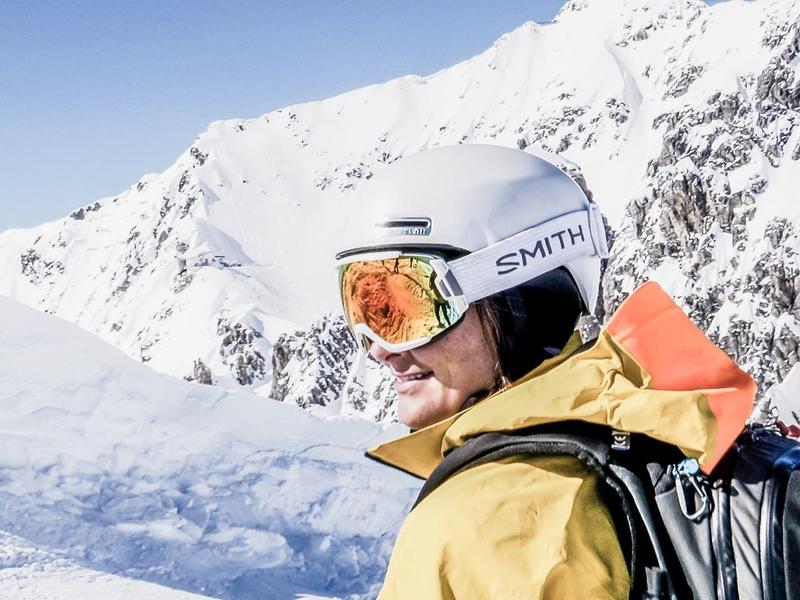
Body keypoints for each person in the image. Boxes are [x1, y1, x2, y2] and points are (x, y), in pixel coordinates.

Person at [334, 144, 755, 598]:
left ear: (518, 295)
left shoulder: (471, 528)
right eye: (362, 303)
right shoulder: (648, 429)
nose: (379, 349)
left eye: (406, 307)